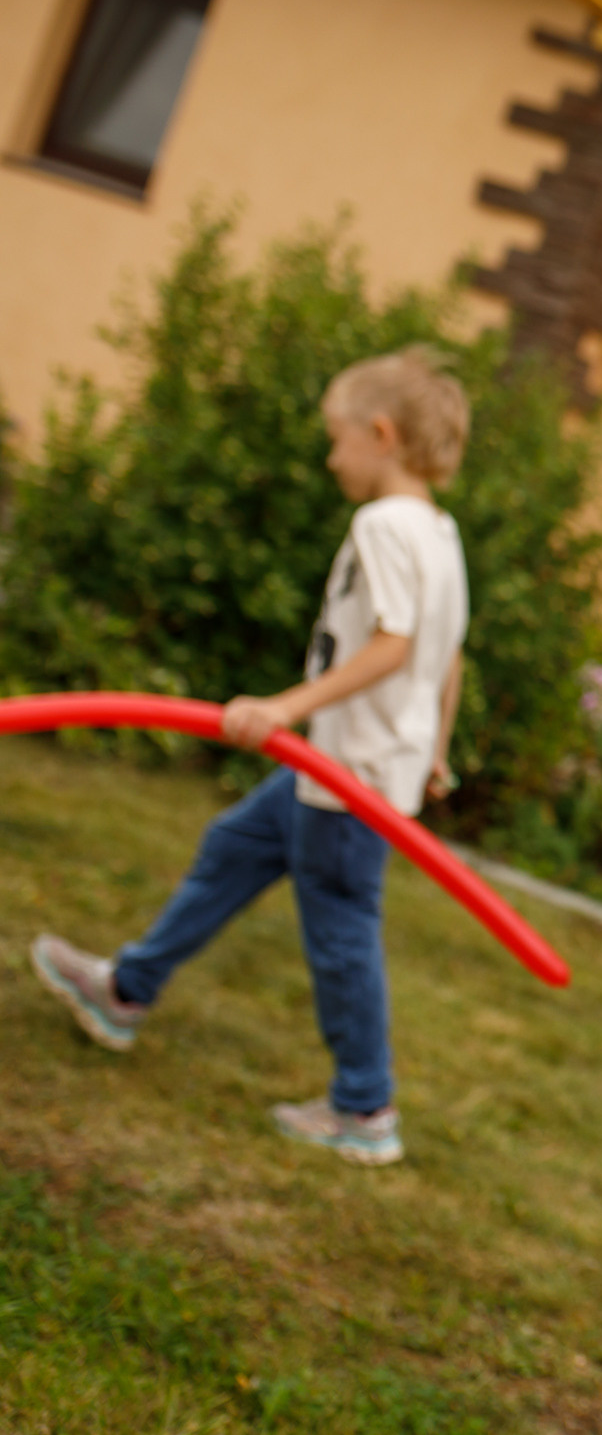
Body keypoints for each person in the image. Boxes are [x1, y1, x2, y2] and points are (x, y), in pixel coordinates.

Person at [31, 345, 472, 1169]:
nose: (330, 455)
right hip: (350, 764)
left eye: (336, 439)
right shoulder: (440, 532)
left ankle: (363, 1108)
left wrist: (282, 711)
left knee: (342, 937)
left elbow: (395, 645)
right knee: (232, 847)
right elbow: (446, 656)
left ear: (381, 435)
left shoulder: (383, 524)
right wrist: (437, 749)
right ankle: (125, 992)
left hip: (351, 777)